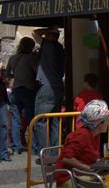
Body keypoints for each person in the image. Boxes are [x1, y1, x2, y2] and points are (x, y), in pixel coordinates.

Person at [56, 99, 109, 188]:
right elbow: (66, 158)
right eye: (107, 119)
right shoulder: (82, 135)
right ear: (100, 123)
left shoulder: (95, 135)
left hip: (83, 175)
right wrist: (89, 169)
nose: (108, 122)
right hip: (69, 179)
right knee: (106, 182)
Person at [32, 25, 65, 154]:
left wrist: (47, 30)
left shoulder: (49, 45)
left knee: (40, 121)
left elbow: (35, 33)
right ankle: (55, 153)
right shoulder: (60, 48)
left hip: (47, 86)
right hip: (58, 87)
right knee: (55, 121)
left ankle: (44, 153)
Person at [5, 37, 39, 155]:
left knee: (15, 119)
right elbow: (37, 72)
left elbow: (7, 73)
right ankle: (34, 146)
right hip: (28, 89)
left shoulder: (13, 58)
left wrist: (16, 76)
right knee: (32, 119)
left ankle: (16, 145)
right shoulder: (31, 58)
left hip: (16, 90)